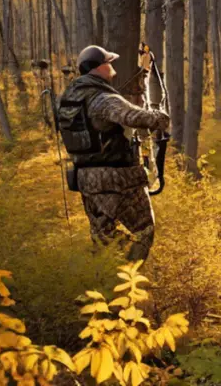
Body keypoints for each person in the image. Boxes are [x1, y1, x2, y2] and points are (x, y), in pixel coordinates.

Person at [57, 45, 169, 261]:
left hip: (86, 180)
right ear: (99, 68)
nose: (111, 66)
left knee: (103, 238)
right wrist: (159, 117)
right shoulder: (102, 98)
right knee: (143, 232)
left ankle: (106, 282)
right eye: (108, 62)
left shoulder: (68, 97)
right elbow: (134, 117)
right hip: (118, 179)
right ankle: (129, 276)